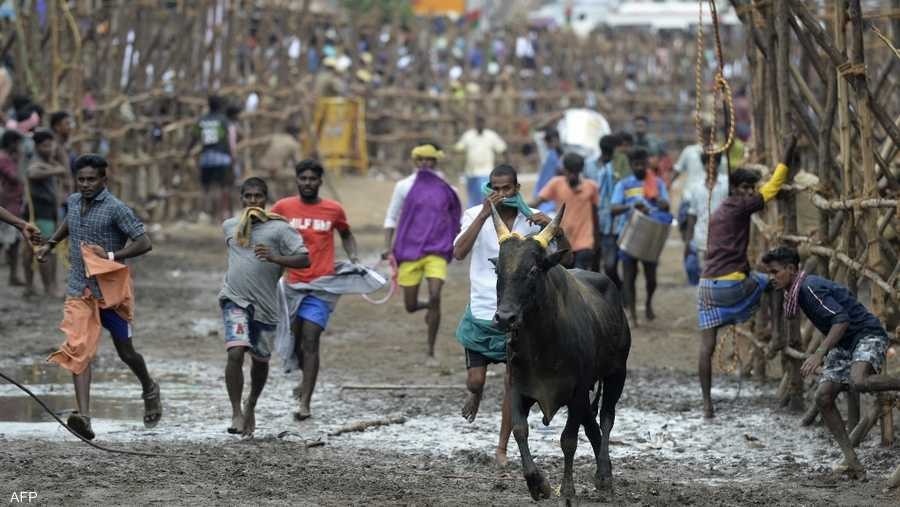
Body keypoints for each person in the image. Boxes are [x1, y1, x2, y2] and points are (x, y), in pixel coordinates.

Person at [36, 154, 160, 440]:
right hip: (79, 289)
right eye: (81, 179)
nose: (86, 184)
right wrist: (50, 245)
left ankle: (149, 387)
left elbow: (145, 242)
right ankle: (85, 417)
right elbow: (69, 222)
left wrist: (113, 255)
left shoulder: (117, 209)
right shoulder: (75, 201)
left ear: (104, 180)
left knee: (125, 352)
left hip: (111, 293)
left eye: (92, 179)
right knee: (78, 351)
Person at [763, 246, 898, 478]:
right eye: (770, 273)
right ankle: (853, 461)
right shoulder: (795, 291)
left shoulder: (808, 288)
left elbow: (841, 320)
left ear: (791, 269)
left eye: (775, 272)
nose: (772, 277)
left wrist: (820, 352)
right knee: (823, 397)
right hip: (845, 343)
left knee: (859, 381)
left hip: (865, 334)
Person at [452, 163, 551, 466]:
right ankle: (475, 394)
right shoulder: (473, 214)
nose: (501, 194)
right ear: (488, 190)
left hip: (518, 315)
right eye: (495, 188)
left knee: (513, 383)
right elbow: (458, 253)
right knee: (475, 380)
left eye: (507, 188)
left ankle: (503, 449)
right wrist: (484, 214)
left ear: (517, 189)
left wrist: (551, 227)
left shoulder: (531, 219)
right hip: (482, 309)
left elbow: (561, 255)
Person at [697, 136, 796, 418]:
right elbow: (772, 190)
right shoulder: (741, 206)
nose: (750, 193)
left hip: (706, 287)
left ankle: (707, 404)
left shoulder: (720, 211)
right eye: (745, 188)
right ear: (734, 189)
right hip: (731, 285)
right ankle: (778, 333)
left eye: (751, 189)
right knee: (776, 283)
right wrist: (785, 159)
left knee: (706, 347)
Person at [220, 177, 310, 437]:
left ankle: (251, 405)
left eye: (258, 196)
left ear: (266, 199)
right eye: (248, 197)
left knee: (260, 361)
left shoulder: (280, 230)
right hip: (234, 299)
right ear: (242, 199)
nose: (253, 201)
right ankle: (236, 411)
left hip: (267, 306)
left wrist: (275, 257)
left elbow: (305, 258)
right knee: (235, 353)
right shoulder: (230, 227)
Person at [271, 159, 360, 420]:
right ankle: (303, 379)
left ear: (320, 181)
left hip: (322, 286)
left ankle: (305, 403)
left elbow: (346, 234)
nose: (308, 183)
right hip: (291, 285)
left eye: (312, 179)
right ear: (297, 180)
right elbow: (267, 232)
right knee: (295, 339)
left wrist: (353, 258)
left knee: (311, 339)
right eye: (303, 179)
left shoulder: (333, 210)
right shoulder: (282, 207)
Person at [382, 144, 461, 362]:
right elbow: (391, 217)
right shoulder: (403, 186)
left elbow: (456, 219)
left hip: (436, 250)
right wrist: (387, 246)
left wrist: (455, 243)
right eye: (421, 160)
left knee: (436, 295)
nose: (425, 163)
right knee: (410, 305)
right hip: (408, 251)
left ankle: (430, 350)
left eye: (430, 160)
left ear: (436, 162)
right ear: (415, 161)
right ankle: (428, 308)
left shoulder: (447, 189)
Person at [610, 148, 670, 324]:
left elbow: (667, 205)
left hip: (651, 235)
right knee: (629, 276)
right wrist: (631, 207)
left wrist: (661, 202)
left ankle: (649, 303)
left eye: (642, 164)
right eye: (636, 164)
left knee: (651, 278)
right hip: (629, 234)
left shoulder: (657, 183)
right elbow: (613, 209)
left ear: (647, 164)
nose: (639, 167)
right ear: (630, 165)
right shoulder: (624, 184)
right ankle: (634, 314)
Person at [533, 152, 599, 270]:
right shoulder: (556, 184)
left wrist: (597, 241)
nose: (573, 176)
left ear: (581, 171)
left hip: (585, 242)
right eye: (570, 172)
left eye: (576, 172)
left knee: (579, 276)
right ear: (564, 170)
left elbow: (595, 215)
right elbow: (536, 203)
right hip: (563, 243)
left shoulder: (591, 187)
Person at [23, 129, 67, 297]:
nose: (49, 148)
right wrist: (55, 170)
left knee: (33, 249)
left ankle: (31, 287)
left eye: (51, 145)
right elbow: (32, 173)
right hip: (40, 213)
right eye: (45, 146)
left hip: (48, 212)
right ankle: (49, 287)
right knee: (45, 249)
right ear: (37, 147)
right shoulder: (36, 161)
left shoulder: (48, 161)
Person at [186, 95, 232, 223]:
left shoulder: (202, 120)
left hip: (206, 157)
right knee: (220, 187)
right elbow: (228, 138)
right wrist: (231, 155)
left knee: (205, 188)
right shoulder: (223, 120)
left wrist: (187, 152)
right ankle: (217, 217)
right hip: (222, 157)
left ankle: (202, 215)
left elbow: (194, 137)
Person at [682, 151, 729, 275]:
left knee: (721, 274)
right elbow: (692, 215)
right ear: (704, 165)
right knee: (705, 275)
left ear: (719, 164)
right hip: (702, 238)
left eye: (714, 162)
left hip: (724, 239)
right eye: (708, 163)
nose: (711, 166)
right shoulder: (696, 187)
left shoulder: (727, 184)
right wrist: (688, 242)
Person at [584, 134, 621, 286]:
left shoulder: (619, 168)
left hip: (612, 223)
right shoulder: (589, 165)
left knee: (610, 266)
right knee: (593, 263)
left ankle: (618, 289)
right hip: (591, 220)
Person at [454, 116, 507, 207]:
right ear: (475, 124)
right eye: (478, 122)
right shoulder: (468, 135)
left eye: (481, 122)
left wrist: (506, 168)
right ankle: (474, 219)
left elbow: (502, 149)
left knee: (487, 198)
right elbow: (458, 148)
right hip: (471, 173)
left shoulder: (491, 135)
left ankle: (489, 218)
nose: (479, 125)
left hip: (486, 172)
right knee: (473, 200)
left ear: (484, 124)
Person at [0, 130, 26, 286]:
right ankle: (12, 275)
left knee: (14, 242)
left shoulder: (9, 158)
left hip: (13, 204)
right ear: (12, 143)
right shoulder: (3, 159)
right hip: (6, 205)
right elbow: (15, 178)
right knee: (6, 241)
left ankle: (13, 275)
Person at [258, 123, 303, 196]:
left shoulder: (276, 137)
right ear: (296, 134)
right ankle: (291, 198)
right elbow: (299, 163)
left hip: (262, 167)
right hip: (275, 171)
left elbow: (259, 142)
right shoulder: (294, 144)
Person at [533, 128, 562, 214]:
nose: (554, 143)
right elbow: (537, 132)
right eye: (552, 141)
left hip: (553, 196)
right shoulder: (546, 154)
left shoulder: (560, 155)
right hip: (544, 193)